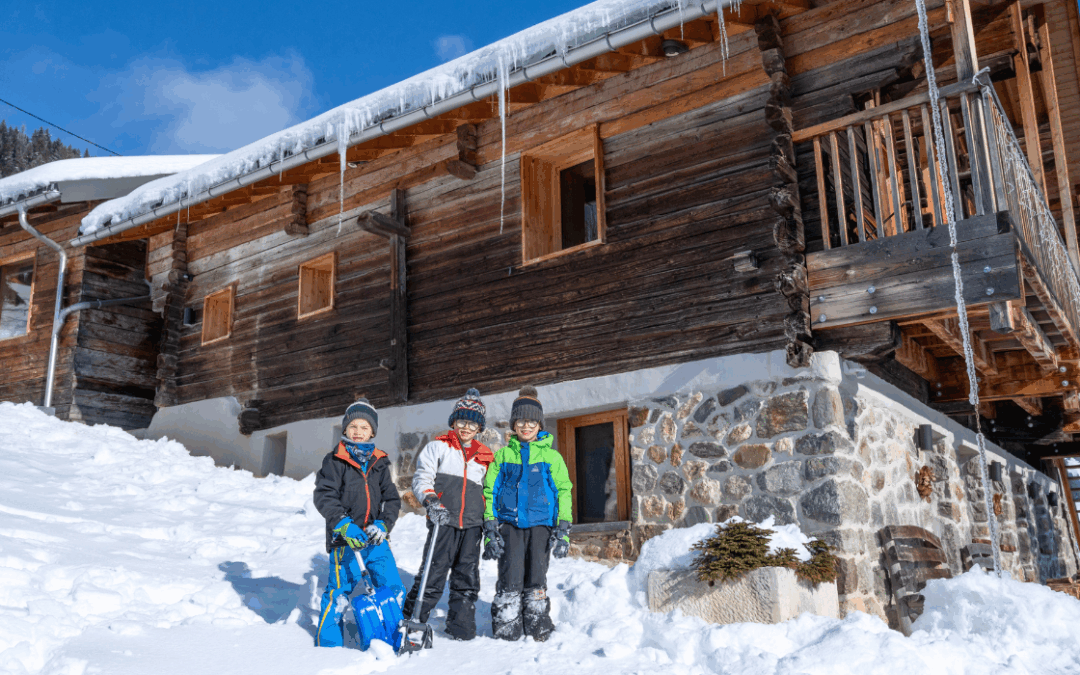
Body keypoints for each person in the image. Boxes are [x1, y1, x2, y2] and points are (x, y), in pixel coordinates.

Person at [482, 386, 573, 642]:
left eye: (532, 421)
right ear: (514, 424)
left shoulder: (551, 457)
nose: (526, 426)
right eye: (521, 421)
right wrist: (490, 526)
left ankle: (538, 623)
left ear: (539, 424)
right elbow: (490, 490)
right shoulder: (502, 456)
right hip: (509, 524)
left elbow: (564, 491)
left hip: (541, 525)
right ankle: (506, 626)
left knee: (536, 576)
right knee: (510, 576)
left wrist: (563, 528)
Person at [403, 388, 494, 640]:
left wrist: (490, 523)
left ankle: (460, 626)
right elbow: (422, 479)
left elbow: (489, 492)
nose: (466, 427)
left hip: (473, 526)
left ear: (479, 428)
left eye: (472, 423)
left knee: (467, 576)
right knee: (433, 572)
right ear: (453, 422)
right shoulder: (438, 447)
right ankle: (413, 619)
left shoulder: (485, 457)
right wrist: (431, 501)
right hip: (443, 521)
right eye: (462, 421)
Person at [313, 398, 404, 648]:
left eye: (365, 428)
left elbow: (392, 499)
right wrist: (342, 524)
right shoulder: (335, 460)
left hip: (375, 541)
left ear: (372, 431)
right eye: (353, 426)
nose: (358, 432)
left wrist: (384, 525)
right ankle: (328, 645)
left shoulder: (380, 461)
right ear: (345, 429)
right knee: (338, 594)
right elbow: (324, 495)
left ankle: (393, 636)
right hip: (345, 542)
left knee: (393, 588)